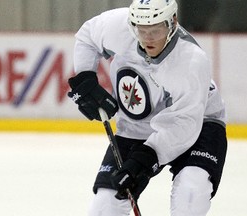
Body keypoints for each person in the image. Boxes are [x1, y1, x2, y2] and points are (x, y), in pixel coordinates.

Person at [67, 0, 227, 215]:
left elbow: (184, 123)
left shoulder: (190, 61)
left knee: (191, 192)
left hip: (199, 122)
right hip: (135, 126)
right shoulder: (118, 25)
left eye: (156, 30)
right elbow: (88, 36)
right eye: (141, 30)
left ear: (172, 22)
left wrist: (146, 159)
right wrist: (86, 76)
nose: (148, 38)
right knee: (105, 206)